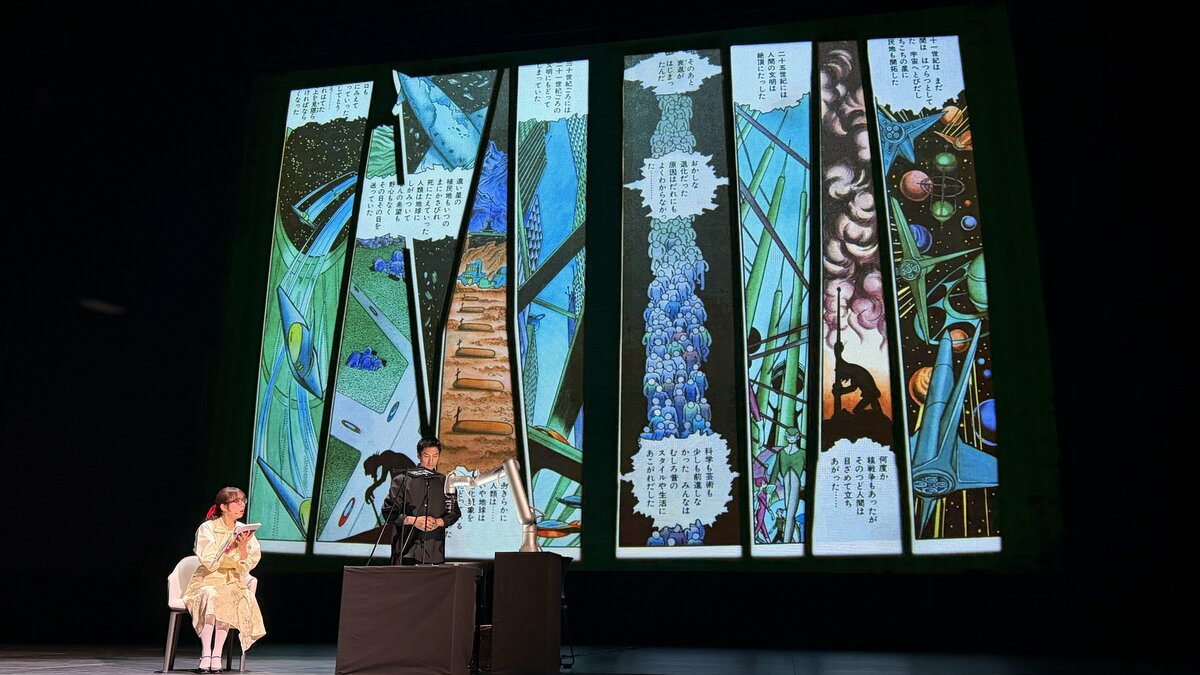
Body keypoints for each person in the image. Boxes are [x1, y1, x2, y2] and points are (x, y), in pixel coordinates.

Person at [182, 487, 266, 673]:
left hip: (232, 580)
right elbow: (209, 560)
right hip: (207, 579)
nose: (242, 505)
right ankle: (206, 652)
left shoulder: (243, 530)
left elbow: (246, 565)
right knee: (211, 594)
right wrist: (230, 547)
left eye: (243, 500)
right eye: (236, 501)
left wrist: (242, 548)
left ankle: (217, 654)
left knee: (227, 596)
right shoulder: (208, 528)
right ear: (223, 507)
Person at [381, 437, 461, 565]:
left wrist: (438, 522)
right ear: (419, 455)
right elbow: (388, 512)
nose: (431, 461)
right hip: (406, 552)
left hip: (434, 553)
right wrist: (413, 521)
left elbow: (454, 513)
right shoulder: (402, 480)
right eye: (426, 456)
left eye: (435, 456)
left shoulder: (446, 483)